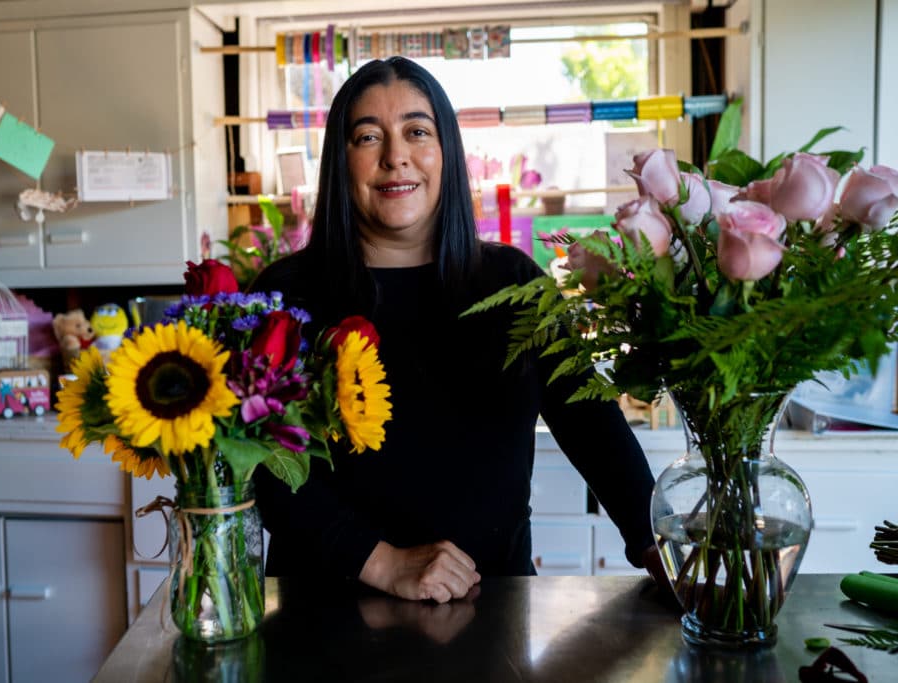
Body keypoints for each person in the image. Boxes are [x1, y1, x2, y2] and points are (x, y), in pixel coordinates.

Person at [251, 56, 664, 604]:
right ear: (340, 160)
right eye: (368, 137)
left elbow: (591, 424)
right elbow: (258, 465)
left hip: (492, 613)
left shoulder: (511, 280)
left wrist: (661, 546)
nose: (396, 156)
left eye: (417, 132)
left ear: (445, 151)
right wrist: (384, 563)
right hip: (324, 617)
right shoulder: (287, 296)